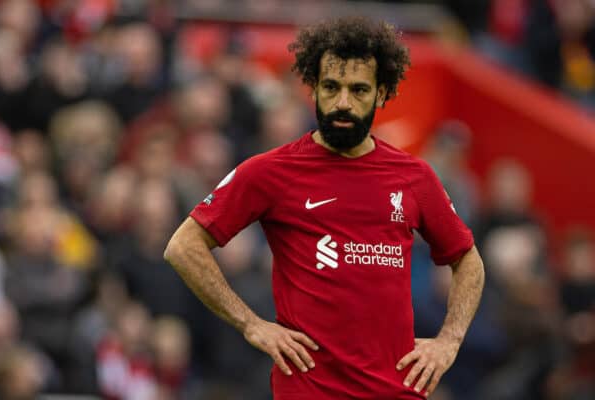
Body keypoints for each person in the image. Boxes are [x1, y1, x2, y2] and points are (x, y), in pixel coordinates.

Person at [164, 17, 485, 400]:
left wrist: (449, 340)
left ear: (382, 94)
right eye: (331, 87)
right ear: (313, 88)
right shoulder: (270, 171)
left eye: (359, 89)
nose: (343, 102)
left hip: (396, 391)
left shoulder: (414, 176)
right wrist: (251, 324)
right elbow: (183, 247)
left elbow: (468, 260)